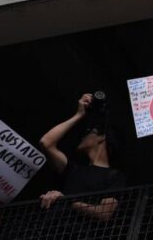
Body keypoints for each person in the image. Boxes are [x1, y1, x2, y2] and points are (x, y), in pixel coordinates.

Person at [38, 93, 126, 223]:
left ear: (102, 138)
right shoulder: (73, 170)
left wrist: (66, 200)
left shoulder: (114, 177)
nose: (84, 135)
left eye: (91, 131)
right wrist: (79, 115)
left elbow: (104, 214)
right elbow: (46, 143)